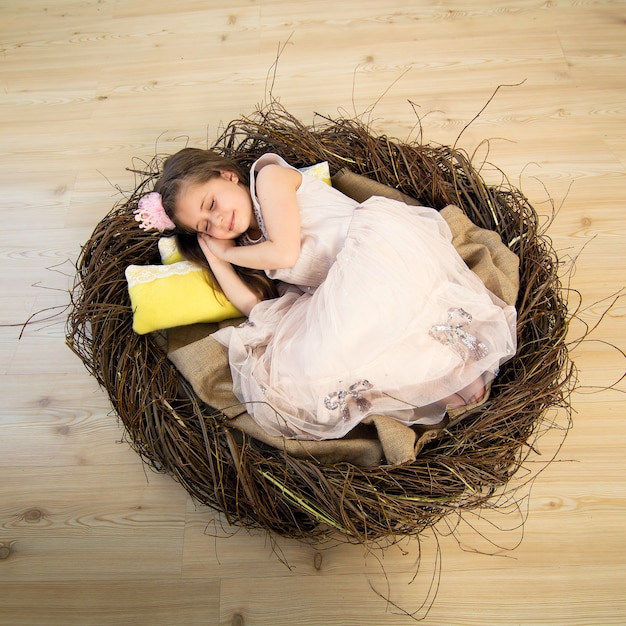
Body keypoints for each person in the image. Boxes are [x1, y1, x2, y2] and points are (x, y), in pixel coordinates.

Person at [135, 148, 517, 440]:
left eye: (211, 204)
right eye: (205, 224)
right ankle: (438, 378)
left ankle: (452, 370)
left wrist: (229, 252)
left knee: (354, 323)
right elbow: (257, 308)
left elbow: (286, 251)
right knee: (301, 360)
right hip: (350, 291)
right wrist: (216, 260)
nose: (218, 220)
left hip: (378, 250)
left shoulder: (268, 179)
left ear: (228, 176)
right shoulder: (251, 245)